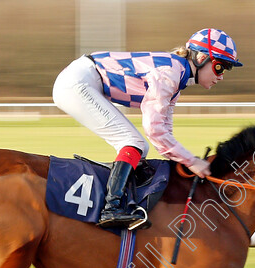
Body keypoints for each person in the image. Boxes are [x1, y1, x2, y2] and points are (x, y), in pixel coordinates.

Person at [53, 28, 243, 229]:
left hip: (83, 79)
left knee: (139, 146)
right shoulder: (169, 73)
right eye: (220, 67)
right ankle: (111, 208)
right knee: (133, 143)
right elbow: (154, 130)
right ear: (201, 57)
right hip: (77, 82)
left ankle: (118, 200)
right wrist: (191, 161)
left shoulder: (177, 76)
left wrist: (185, 161)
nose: (221, 76)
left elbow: (165, 132)